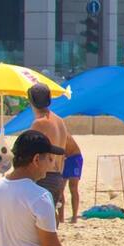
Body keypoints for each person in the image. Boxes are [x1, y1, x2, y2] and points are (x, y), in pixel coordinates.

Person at [22, 85, 74, 224]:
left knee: (39, 221)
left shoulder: (39, 123)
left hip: (43, 176)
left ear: (30, 100)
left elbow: (29, 152)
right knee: (50, 216)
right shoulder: (59, 121)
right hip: (58, 176)